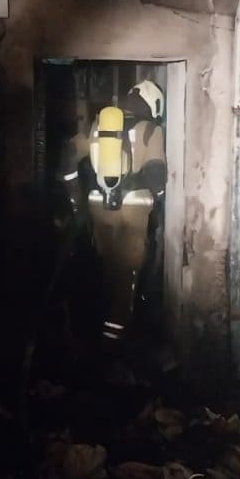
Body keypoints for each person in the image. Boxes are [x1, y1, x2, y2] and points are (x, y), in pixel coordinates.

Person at [58, 80, 166, 341]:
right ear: (154, 104)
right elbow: (156, 175)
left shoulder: (99, 125)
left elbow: (68, 156)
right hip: (133, 209)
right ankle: (114, 341)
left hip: (98, 205)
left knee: (105, 265)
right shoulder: (151, 129)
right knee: (127, 272)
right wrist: (161, 205)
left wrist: (76, 200)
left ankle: (94, 328)